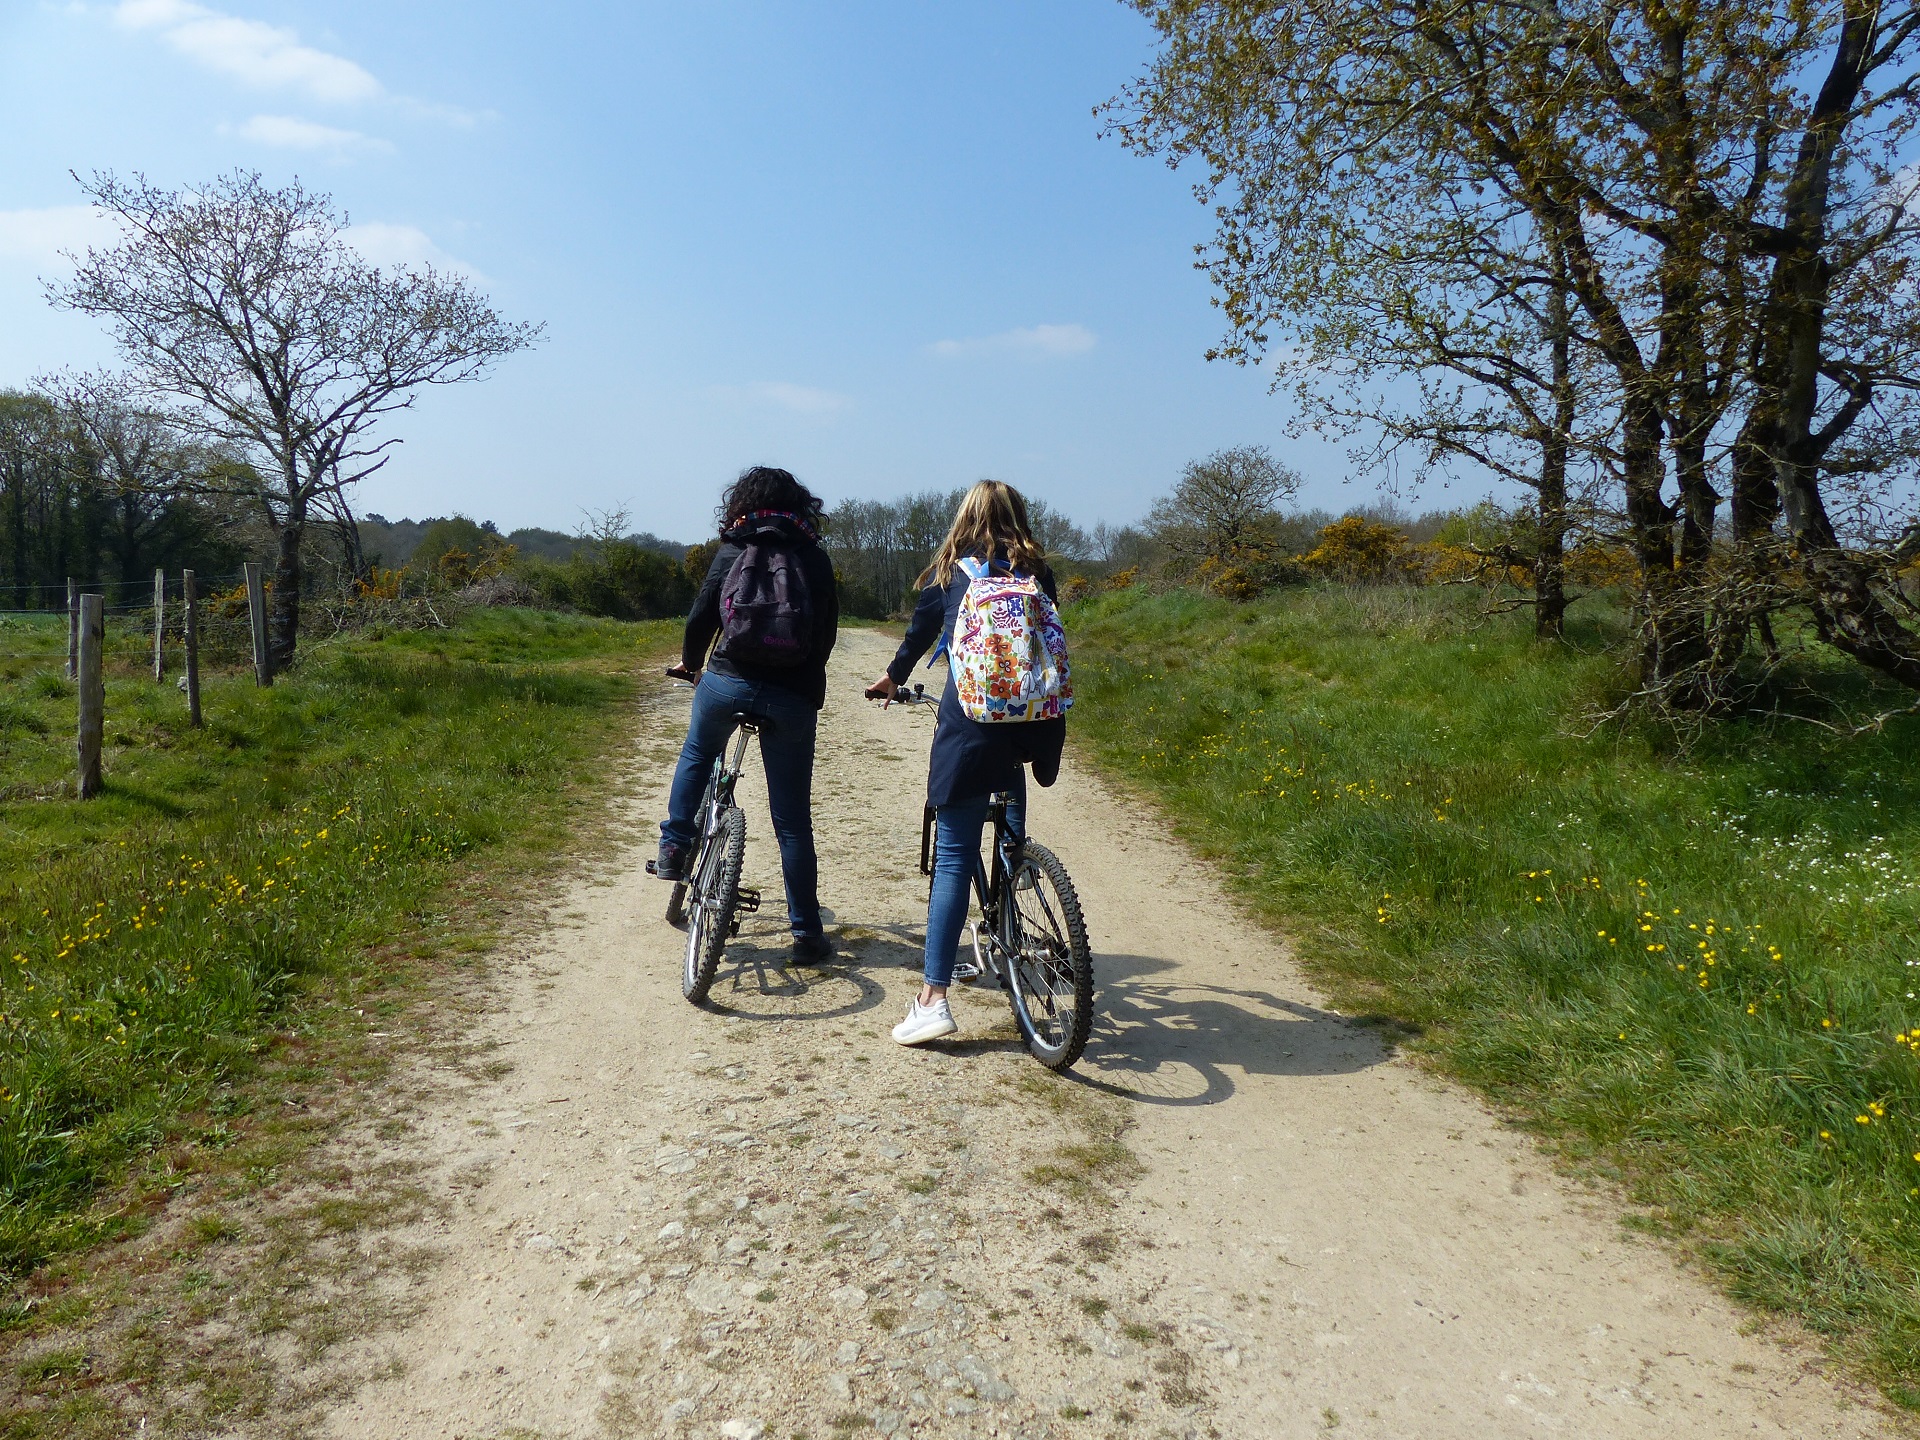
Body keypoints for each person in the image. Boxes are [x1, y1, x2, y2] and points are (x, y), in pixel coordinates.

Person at [867, 480, 1066, 1045]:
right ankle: (1017, 917)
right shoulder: (1037, 571)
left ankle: (932, 1000)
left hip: (972, 723)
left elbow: (920, 635)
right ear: (1017, 516)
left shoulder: (951, 571)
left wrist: (894, 677)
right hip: (1034, 722)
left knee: (954, 858)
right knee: (1010, 834)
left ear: (965, 517)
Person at [658, 466, 839, 964]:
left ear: (740, 503)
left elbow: (701, 617)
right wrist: (806, 685)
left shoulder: (733, 549)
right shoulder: (814, 558)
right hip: (792, 697)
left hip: (726, 682)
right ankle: (806, 935)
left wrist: (691, 663)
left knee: (698, 751)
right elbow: (824, 635)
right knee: (792, 822)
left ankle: (674, 846)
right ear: (801, 505)